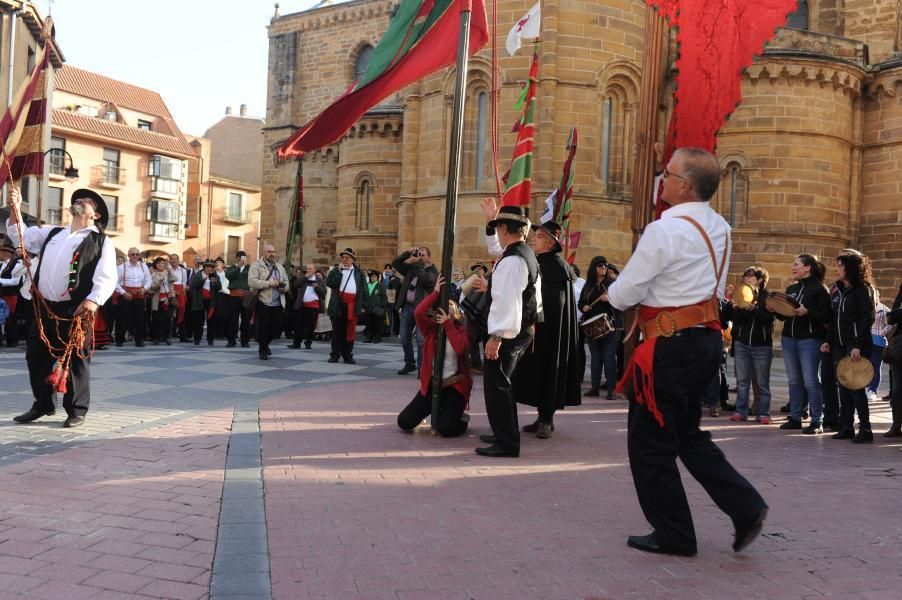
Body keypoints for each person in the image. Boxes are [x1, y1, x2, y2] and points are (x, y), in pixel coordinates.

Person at [607, 147, 767, 556]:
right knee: (687, 435)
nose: (662, 178)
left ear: (684, 184)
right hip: (705, 341)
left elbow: (624, 294)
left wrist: (615, 290)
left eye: (668, 172)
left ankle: (675, 534)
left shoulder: (664, 230)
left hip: (669, 346)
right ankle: (745, 506)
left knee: (650, 444)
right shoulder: (721, 228)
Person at [7, 187, 116, 428]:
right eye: (78, 198)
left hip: (76, 310)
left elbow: (107, 276)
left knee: (77, 359)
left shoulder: (101, 241)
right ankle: (43, 404)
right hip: (45, 308)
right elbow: (20, 236)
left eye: (87, 201)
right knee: (35, 355)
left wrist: (92, 300)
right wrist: (16, 207)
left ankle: (76, 409)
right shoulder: (52, 233)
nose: (80, 200)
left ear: (96, 215)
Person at [474, 199, 541, 458]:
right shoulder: (520, 252)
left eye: (497, 228)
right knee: (504, 385)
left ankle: (507, 443)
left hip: (509, 333)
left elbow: (508, 301)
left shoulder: (513, 260)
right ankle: (504, 433)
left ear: (504, 229)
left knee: (498, 387)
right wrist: (492, 220)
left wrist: (496, 337)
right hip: (521, 330)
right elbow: (496, 251)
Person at [513, 220, 581, 438]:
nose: (534, 239)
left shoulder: (558, 268)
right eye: (535, 235)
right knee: (534, 373)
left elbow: (556, 306)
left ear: (552, 243)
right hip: (535, 330)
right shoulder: (536, 262)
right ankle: (541, 416)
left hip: (551, 333)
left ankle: (546, 419)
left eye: (540, 237)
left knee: (550, 371)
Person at [397, 275, 472, 437]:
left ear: (458, 313)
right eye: (445, 307)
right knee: (404, 422)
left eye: (452, 306)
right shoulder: (431, 330)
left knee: (445, 428)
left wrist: (447, 324)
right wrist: (436, 292)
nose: (448, 309)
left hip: (454, 386)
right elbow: (418, 312)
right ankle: (436, 410)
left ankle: (462, 418)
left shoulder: (462, 331)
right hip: (433, 385)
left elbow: (460, 347)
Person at [774, 254, 831, 434]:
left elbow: (827, 316)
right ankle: (796, 418)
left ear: (808, 268)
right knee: (794, 381)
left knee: (811, 382)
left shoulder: (820, 289)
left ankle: (817, 421)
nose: (793, 267)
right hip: (789, 339)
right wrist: (775, 309)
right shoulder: (791, 288)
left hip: (810, 340)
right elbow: (785, 315)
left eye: (796, 264)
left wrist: (808, 312)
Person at [823, 252, 875, 443]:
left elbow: (866, 318)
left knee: (855, 387)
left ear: (850, 268)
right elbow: (834, 318)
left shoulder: (863, 289)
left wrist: (856, 345)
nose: (836, 269)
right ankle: (846, 427)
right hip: (839, 344)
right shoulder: (838, 289)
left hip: (856, 346)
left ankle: (866, 429)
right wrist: (829, 340)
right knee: (842, 386)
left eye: (840, 266)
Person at [726, 267, 774, 424]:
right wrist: (734, 309)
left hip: (762, 344)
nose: (746, 278)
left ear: (760, 280)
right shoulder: (742, 293)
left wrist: (754, 309)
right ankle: (740, 411)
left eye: (750, 276)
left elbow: (768, 321)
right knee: (742, 380)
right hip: (742, 343)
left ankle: (763, 413)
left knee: (762, 382)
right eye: (745, 275)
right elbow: (736, 321)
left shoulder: (768, 297)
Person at [579, 256, 620, 399]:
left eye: (605, 265)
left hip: (609, 326)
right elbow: (581, 302)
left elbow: (621, 302)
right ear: (594, 268)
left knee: (609, 358)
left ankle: (611, 390)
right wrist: (583, 306)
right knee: (596, 359)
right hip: (592, 326)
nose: (604, 267)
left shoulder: (612, 284)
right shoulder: (588, 285)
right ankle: (594, 388)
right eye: (600, 265)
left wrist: (610, 299)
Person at [393, 246, 438, 374]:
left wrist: (417, 263)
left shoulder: (433, 271)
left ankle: (421, 368)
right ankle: (409, 363)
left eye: (423, 255)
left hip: (422, 310)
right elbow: (396, 264)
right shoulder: (412, 268)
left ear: (429, 257)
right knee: (404, 337)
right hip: (407, 307)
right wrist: (407, 254)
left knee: (420, 340)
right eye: (419, 254)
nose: (420, 257)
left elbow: (425, 279)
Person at [248, 244, 288, 360]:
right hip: (263, 301)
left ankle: (265, 344)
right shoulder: (256, 266)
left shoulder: (280, 267)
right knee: (264, 327)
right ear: (264, 253)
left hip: (278, 302)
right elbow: (252, 282)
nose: (272, 254)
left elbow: (286, 281)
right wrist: (269, 283)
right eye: (270, 252)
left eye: (274, 252)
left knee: (277, 327)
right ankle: (263, 350)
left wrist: (283, 287)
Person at [326, 248, 366, 364]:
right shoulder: (335, 271)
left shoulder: (359, 272)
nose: (344, 260)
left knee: (350, 332)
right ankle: (334, 355)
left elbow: (364, 290)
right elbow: (330, 283)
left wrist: (365, 305)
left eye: (347, 258)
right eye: (343, 257)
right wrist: (338, 272)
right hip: (339, 305)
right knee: (337, 331)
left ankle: (347, 355)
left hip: (352, 306)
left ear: (352, 260)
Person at [115, 246, 151, 347]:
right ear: (128, 255)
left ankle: (139, 340)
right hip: (126, 295)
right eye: (133, 254)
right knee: (122, 318)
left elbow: (149, 280)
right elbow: (115, 282)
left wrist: (144, 289)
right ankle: (119, 339)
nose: (135, 256)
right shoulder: (121, 267)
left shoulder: (144, 267)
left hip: (139, 295)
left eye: (137, 254)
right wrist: (123, 293)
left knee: (140, 318)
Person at [288, 263, 325, 349]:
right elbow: (295, 284)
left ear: (314, 270)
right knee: (298, 325)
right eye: (307, 269)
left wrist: (317, 287)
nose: (308, 270)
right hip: (302, 305)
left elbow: (324, 292)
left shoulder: (319, 280)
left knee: (311, 326)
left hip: (314, 306)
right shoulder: (303, 278)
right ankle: (296, 343)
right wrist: (305, 277)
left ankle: (308, 343)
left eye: (310, 269)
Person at [188, 259, 220, 345]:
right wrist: (203, 279)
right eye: (207, 267)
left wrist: (215, 282)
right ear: (204, 267)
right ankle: (197, 338)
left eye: (211, 267)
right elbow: (193, 284)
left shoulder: (214, 276)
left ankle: (210, 340)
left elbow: (219, 287)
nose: (209, 269)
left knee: (211, 321)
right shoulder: (199, 274)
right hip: (199, 301)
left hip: (211, 301)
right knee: (198, 321)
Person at [225, 250, 252, 347]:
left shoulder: (250, 268)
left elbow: (252, 278)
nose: (242, 260)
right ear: (237, 259)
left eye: (244, 258)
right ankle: (231, 340)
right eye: (240, 258)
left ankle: (245, 340)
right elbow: (228, 276)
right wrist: (238, 267)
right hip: (234, 296)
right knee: (233, 319)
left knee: (246, 319)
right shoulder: (232, 268)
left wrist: (245, 267)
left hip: (246, 296)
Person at [867, 290, 889, 402]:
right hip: (867, 341)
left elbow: (891, 324)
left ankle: (873, 390)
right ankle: (867, 386)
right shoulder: (866, 307)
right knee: (867, 365)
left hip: (879, 342)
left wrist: (882, 332)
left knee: (875, 366)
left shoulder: (883, 309)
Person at [148, 257, 176, 345]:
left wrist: (170, 269)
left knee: (168, 319)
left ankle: (167, 337)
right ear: (155, 265)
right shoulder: (153, 274)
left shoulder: (168, 272)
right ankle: (157, 337)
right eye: (159, 263)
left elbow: (175, 279)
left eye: (163, 263)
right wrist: (159, 282)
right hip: (157, 299)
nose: (161, 265)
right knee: (157, 319)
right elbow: (152, 287)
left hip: (169, 298)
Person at [0, 240, 22, 346]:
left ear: (6, 253)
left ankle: (12, 340)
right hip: (2, 295)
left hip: (11, 295)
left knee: (10, 318)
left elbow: (15, 281)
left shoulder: (16, 264)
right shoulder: (1, 265)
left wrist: (1, 281)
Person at [168, 254, 190, 342]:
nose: (173, 261)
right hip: (170, 292)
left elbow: (184, 282)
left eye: (175, 259)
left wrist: (183, 291)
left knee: (181, 313)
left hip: (180, 293)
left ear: (178, 260)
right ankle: (166, 335)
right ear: (170, 260)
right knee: (168, 314)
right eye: (172, 259)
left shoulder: (183, 271)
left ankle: (182, 336)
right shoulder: (167, 270)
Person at [363, 270, 387, 343]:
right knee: (369, 323)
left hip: (377, 308)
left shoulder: (380, 286)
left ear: (377, 277)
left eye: (374, 276)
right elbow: (364, 296)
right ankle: (369, 337)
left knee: (377, 323)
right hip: (368, 308)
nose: (372, 278)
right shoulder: (367, 285)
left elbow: (384, 298)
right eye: (371, 277)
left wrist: (382, 306)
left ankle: (377, 337)